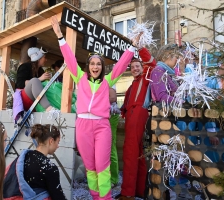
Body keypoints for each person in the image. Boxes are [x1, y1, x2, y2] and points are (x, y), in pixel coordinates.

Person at [51, 15, 142, 200]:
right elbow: (69, 58)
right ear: (88, 66)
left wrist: (132, 46)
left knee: (102, 166)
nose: (95, 66)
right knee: (90, 167)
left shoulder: (108, 81)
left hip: (102, 126)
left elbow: (122, 64)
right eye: (92, 63)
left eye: (98, 64)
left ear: (102, 67)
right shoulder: (80, 77)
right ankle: (95, 196)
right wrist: (60, 36)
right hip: (83, 126)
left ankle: (105, 197)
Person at [119, 47, 156, 199]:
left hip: (138, 114)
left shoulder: (147, 76)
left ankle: (127, 194)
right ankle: (139, 190)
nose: (134, 68)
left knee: (130, 152)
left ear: (142, 68)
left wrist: (140, 48)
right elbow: (125, 105)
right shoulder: (131, 85)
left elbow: (152, 64)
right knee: (138, 154)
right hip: (132, 116)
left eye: (137, 66)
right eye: (132, 67)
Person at [3, 124, 66, 200]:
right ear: (51, 141)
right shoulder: (50, 167)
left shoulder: (22, 158)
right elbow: (58, 196)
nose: (57, 146)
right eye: (58, 142)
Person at [14, 47, 58, 113]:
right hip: (23, 98)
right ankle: (49, 109)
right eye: (44, 58)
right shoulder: (25, 66)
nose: (46, 60)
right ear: (39, 58)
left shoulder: (40, 70)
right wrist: (40, 79)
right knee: (35, 81)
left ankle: (57, 107)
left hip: (35, 99)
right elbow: (20, 83)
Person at [109, 86, 121, 186]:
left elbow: (112, 98)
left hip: (111, 115)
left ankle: (113, 179)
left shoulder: (108, 79)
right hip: (100, 117)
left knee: (110, 147)